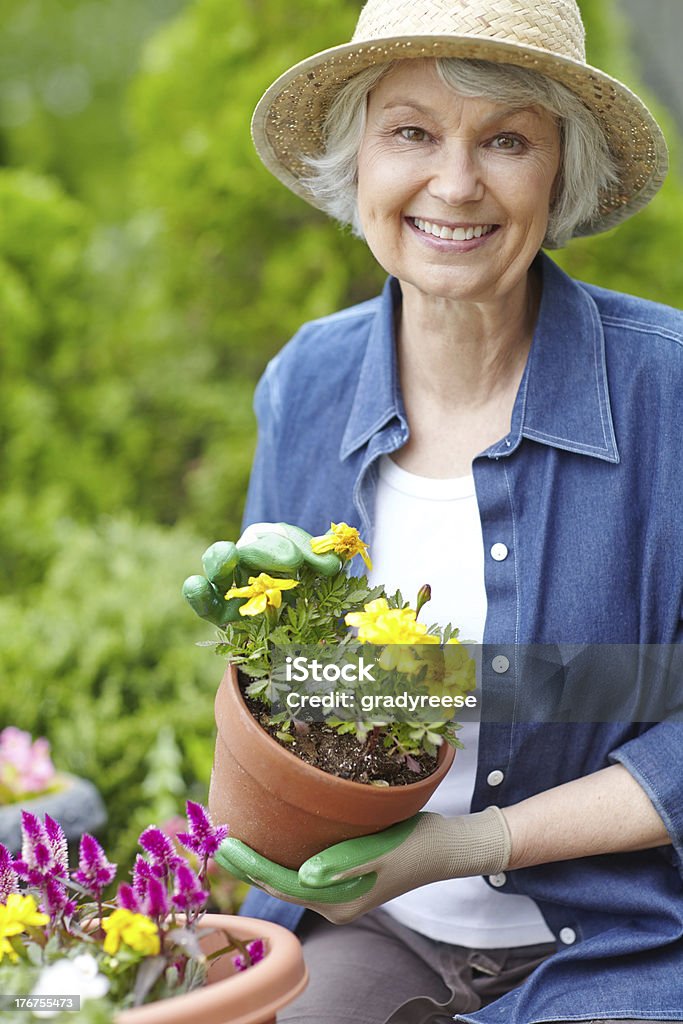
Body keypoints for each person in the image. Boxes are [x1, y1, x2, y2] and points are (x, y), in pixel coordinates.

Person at [211, 1, 683, 1022]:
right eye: (410, 131)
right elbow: (275, 683)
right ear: (359, 161)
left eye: (505, 139)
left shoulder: (666, 395)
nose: (455, 183)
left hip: (623, 941)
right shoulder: (307, 383)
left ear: (561, 171)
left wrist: (470, 844)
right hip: (372, 928)